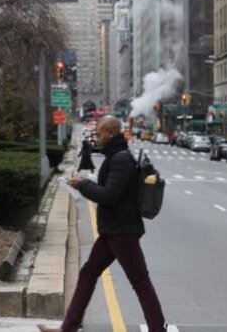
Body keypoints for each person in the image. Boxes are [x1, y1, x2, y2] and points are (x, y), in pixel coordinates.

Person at [38, 116, 165, 332]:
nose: (97, 137)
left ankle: (158, 329)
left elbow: (110, 196)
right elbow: (111, 191)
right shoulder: (116, 156)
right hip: (112, 231)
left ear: (111, 133)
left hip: (122, 232)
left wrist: (83, 185)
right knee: (88, 273)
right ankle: (68, 326)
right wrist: (83, 185)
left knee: (140, 282)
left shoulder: (120, 159)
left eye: (99, 133)